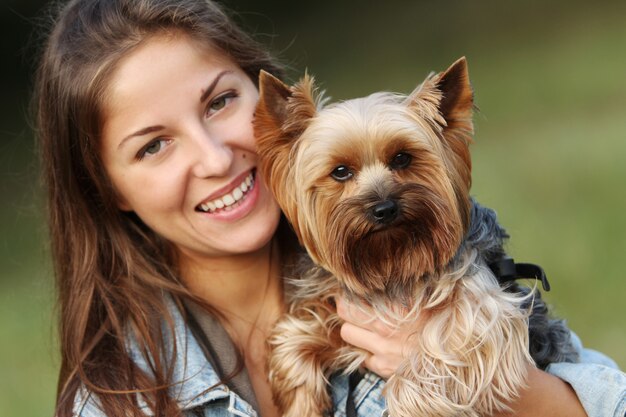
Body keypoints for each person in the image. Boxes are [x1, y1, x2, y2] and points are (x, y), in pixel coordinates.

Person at [34, 0, 625, 416]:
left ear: (273, 116)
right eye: (153, 145)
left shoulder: (452, 277)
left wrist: (522, 398)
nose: (214, 159)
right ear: (105, 185)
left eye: (218, 102)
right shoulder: (117, 399)